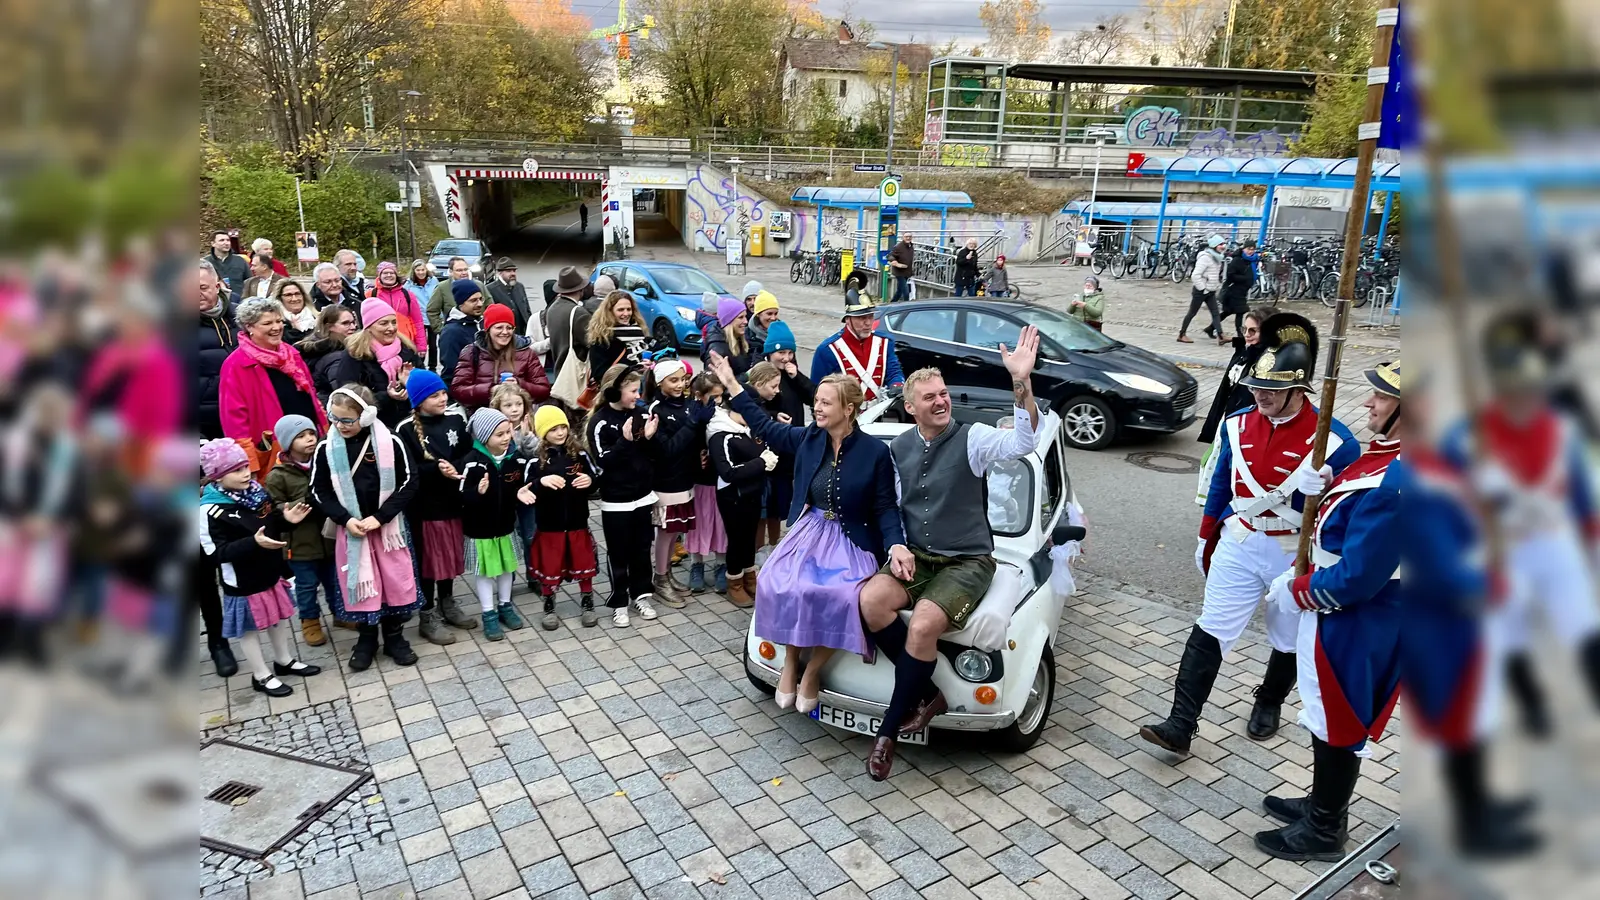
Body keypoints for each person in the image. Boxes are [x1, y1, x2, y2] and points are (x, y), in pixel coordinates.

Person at [1139, 314, 1360, 760]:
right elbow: (1221, 483)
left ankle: (1270, 699)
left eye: (1273, 391)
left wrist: (1315, 496)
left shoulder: (1336, 442)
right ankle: (1181, 724)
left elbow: (1338, 521)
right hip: (1239, 539)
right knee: (1211, 629)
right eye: (1257, 387)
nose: (1261, 396)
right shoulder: (1237, 423)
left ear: (1300, 391)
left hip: (1292, 550)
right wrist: (1207, 534)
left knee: (1287, 637)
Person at [856, 328, 1045, 780]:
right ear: (910, 407)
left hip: (967, 560)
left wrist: (1021, 382)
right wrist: (895, 544)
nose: (941, 402)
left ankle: (887, 735)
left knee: (922, 623)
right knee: (870, 602)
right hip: (916, 554)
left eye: (943, 394)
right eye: (929, 397)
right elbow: (889, 508)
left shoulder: (974, 438)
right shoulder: (896, 447)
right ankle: (929, 691)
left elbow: (1023, 443)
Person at [1254, 361, 1404, 862]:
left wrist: (1299, 591)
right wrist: (1331, 481)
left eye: (1382, 398)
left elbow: (1361, 575)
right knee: (1328, 715)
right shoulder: (1390, 457)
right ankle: (1324, 805)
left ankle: (1324, 831)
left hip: (1352, 614)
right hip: (1348, 608)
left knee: (1337, 716)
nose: (1369, 404)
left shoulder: (1399, 479)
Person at [1398, 371, 1543, 859]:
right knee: (1456, 724)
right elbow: (1441, 569)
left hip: (1471, 618)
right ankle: (1467, 825)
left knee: (1479, 720)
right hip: (1446, 623)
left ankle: (1481, 804)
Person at [708, 354, 903, 710]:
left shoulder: (875, 452)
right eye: (816, 402)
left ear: (849, 409)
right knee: (783, 584)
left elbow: (885, 507)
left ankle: (812, 670)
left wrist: (896, 546)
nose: (817, 408)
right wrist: (734, 387)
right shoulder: (810, 437)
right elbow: (765, 428)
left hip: (851, 538)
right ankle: (789, 661)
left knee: (842, 595)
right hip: (810, 530)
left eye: (826, 403)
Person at [1444, 311, 1600, 737]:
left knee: (1582, 624)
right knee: (1507, 634)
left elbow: (1580, 493)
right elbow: (1443, 498)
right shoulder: (1467, 436)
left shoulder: (1560, 429)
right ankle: (1532, 704)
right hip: (1501, 549)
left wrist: (1591, 540)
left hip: (1554, 543)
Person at [309, 385, 422, 671]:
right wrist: (345, 519)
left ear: (368, 415)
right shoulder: (326, 447)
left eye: (347, 420)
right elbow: (317, 490)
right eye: (334, 418)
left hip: (387, 529)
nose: (340, 425)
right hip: (353, 529)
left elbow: (409, 482)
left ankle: (395, 637)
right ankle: (367, 638)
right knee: (362, 584)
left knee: (394, 579)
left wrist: (381, 516)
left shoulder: (390, 442)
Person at [199, 438, 322, 696]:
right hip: (242, 581)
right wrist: (252, 543)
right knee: (250, 628)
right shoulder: (208, 510)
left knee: (277, 618)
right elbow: (214, 554)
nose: (246, 474)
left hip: (270, 571)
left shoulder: (257, 491)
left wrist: (287, 519)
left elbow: (270, 522)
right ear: (217, 477)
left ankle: (284, 661)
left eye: (245, 467)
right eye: (236, 470)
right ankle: (261, 675)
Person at [397, 369, 474, 645]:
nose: (443, 399)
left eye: (443, 393)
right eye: (434, 395)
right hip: (425, 510)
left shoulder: (455, 419)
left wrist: (460, 467)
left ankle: (447, 602)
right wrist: (436, 470)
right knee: (429, 561)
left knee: (450, 556)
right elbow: (405, 470)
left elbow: (468, 451)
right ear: (418, 400)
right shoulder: (405, 428)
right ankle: (427, 613)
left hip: (453, 503)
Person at [264, 414, 350, 646]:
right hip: (300, 545)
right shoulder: (278, 475)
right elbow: (274, 509)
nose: (310, 439)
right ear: (287, 443)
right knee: (306, 585)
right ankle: (309, 621)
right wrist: (304, 501)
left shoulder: (325, 462)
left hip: (329, 540)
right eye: (301, 436)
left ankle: (341, 614)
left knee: (334, 580)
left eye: (311, 433)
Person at [586, 364, 661, 627]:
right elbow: (605, 461)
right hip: (616, 500)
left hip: (642, 496)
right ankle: (619, 601)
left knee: (642, 549)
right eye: (632, 390)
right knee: (619, 552)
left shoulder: (641, 414)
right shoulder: (599, 422)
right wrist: (625, 441)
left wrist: (649, 439)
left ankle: (641, 594)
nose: (638, 395)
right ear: (615, 392)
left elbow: (650, 456)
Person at [219, 296, 327, 477]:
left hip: (309, 439)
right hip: (274, 450)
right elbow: (234, 421)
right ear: (249, 327)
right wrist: (248, 464)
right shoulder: (236, 365)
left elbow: (312, 395)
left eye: (279, 321)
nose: (277, 327)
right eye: (267, 323)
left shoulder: (291, 353)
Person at [457, 407, 534, 640]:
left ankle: (505, 606)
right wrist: (477, 493)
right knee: (483, 572)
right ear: (483, 437)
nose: (506, 438)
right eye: (499, 435)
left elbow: (521, 484)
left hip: (505, 526)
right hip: (479, 530)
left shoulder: (515, 459)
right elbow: (460, 495)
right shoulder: (471, 462)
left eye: (508, 432)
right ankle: (488, 614)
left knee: (507, 568)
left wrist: (520, 493)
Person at [526, 405, 601, 629]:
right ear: (542, 432)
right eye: (553, 429)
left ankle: (587, 602)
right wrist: (541, 483)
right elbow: (526, 487)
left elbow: (595, 477)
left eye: (563, 427)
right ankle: (549, 604)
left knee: (583, 563)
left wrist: (590, 482)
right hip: (550, 526)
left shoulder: (579, 453)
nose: (560, 433)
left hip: (578, 522)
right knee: (550, 566)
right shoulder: (536, 459)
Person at [706, 382, 776, 607]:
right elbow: (727, 472)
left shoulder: (746, 429)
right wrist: (761, 463)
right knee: (737, 539)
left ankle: (749, 575)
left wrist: (767, 459)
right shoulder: (720, 434)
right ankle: (734, 581)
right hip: (733, 496)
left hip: (752, 492)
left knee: (749, 538)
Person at [644, 357, 699, 608]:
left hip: (685, 477)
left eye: (683, 380)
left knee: (675, 529)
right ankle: (660, 578)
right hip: (666, 481)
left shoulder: (686, 404)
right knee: (665, 532)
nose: (680, 385)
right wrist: (693, 424)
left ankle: (666, 574)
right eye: (673, 380)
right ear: (660, 382)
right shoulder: (656, 409)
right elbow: (668, 449)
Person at [748, 349, 813, 547]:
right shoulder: (751, 404)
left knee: (775, 511)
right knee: (761, 513)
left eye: (790, 352)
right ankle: (759, 550)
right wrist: (774, 415)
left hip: (781, 461)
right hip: (759, 468)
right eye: (774, 387)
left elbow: (811, 394)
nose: (777, 390)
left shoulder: (790, 378)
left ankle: (775, 546)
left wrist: (797, 377)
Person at [327, 298, 425, 428]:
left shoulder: (406, 348)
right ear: (369, 327)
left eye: (394, 322)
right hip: (373, 424)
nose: (391, 328)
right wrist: (387, 396)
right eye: (383, 323)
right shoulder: (355, 354)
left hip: (410, 421)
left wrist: (411, 382)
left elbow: (426, 382)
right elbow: (348, 395)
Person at [450, 302, 551, 412]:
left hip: (517, 418)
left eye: (509, 328)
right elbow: (458, 390)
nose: (505, 332)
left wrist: (519, 385)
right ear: (488, 329)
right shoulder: (472, 352)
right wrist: (490, 390)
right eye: (499, 327)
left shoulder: (526, 353)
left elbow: (543, 391)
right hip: (483, 417)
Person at [488, 382, 540, 590]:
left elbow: (536, 455)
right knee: (507, 538)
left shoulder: (530, 426)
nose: (515, 409)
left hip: (527, 492)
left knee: (530, 534)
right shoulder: (493, 430)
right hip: (504, 494)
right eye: (508, 405)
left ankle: (534, 575)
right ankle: (507, 579)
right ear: (498, 408)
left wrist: (527, 437)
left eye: (518, 404)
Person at [1198, 307, 1272, 447]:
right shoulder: (1243, 351)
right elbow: (1224, 391)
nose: (1247, 334)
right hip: (1228, 420)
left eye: (1253, 330)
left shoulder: (1267, 361)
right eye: (1244, 329)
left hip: (1246, 429)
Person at [685, 374, 728, 594]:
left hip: (719, 479)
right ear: (699, 396)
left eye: (721, 396)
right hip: (699, 480)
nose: (718, 401)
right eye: (714, 397)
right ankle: (697, 564)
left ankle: (721, 564)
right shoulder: (692, 415)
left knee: (721, 522)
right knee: (699, 522)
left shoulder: (723, 413)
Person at [811, 303, 905, 403]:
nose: (868, 323)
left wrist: (897, 384)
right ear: (848, 319)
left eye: (871, 317)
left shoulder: (884, 342)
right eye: (862, 318)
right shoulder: (827, 349)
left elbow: (893, 371)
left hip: (878, 411)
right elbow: (817, 390)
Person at [198, 260, 238, 440]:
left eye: (203, 287)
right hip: (204, 419)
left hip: (243, 412)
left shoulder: (241, 316)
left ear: (217, 286)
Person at [296, 304, 358, 408]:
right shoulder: (336, 357)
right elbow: (344, 395)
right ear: (329, 327)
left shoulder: (317, 347)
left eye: (353, 322)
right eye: (345, 323)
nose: (353, 327)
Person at [426, 257, 479, 367]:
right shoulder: (442, 288)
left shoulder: (477, 285)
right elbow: (432, 310)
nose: (463, 273)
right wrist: (441, 329)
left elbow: (489, 305)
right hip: (454, 337)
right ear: (450, 272)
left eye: (465, 269)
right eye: (459, 270)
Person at [586, 290, 650, 376]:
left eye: (629, 309)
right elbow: (600, 374)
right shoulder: (602, 339)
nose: (626, 313)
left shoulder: (638, 331)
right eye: (620, 310)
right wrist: (634, 369)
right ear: (609, 312)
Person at [547, 266, 593, 383]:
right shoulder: (578, 313)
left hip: (559, 370)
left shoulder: (552, 308)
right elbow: (592, 342)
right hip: (576, 374)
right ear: (580, 289)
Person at [1179, 235, 1225, 344]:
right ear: (1214, 246)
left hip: (1211, 290)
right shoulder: (1205, 257)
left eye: (1223, 244)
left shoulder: (1218, 257)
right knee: (1192, 313)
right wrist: (1203, 288)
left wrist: (1214, 286)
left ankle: (1221, 336)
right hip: (1201, 291)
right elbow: (1195, 275)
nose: (1223, 247)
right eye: (1220, 244)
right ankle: (1182, 334)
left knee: (1215, 313)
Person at [369, 261, 426, 347]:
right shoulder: (371, 295)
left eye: (391, 273)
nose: (389, 275)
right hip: (380, 343)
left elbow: (418, 321)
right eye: (385, 273)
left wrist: (421, 345)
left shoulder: (408, 295)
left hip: (406, 342)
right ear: (379, 276)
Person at [438, 280, 486, 378]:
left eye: (481, 299)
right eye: (473, 300)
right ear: (461, 304)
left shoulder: (482, 323)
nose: (480, 304)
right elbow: (451, 369)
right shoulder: (451, 332)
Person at [703, 298, 752, 378]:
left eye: (745, 316)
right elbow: (715, 386)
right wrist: (747, 376)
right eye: (740, 317)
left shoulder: (741, 338)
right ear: (728, 321)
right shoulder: (717, 349)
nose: (746, 321)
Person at [1219, 241, 1258, 340]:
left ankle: (1210, 328)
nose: (1251, 251)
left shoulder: (1252, 260)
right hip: (1234, 290)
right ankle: (1240, 336)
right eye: (1248, 249)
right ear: (1244, 249)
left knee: (1228, 311)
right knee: (1240, 312)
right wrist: (1245, 278)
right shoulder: (1237, 259)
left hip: (1243, 290)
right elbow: (1230, 275)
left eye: (1253, 249)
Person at [487, 257, 535, 336]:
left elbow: (527, 309)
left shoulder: (519, 286)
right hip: (505, 334)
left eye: (514, 270)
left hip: (523, 333)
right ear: (500, 273)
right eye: (508, 271)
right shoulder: (491, 289)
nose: (513, 273)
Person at [206, 231, 250, 304]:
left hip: (239, 304)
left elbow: (250, 282)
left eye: (228, 240)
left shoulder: (240, 261)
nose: (226, 243)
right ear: (213, 243)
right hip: (214, 304)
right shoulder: (205, 263)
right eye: (222, 240)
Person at [273, 278, 318, 345]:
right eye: (288, 295)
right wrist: (295, 331)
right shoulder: (277, 323)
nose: (294, 299)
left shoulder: (317, 318)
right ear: (280, 298)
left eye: (297, 294)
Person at [747, 290, 779, 358]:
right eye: (769, 314)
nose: (773, 318)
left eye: (775, 314)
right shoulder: (747, 336)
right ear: (758, 314)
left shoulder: (783, 333)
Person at [888, 233, 914, 302]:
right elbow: (890, 255)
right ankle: (907, 306)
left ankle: (892, 303)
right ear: (903, 237)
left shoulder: (910, 246)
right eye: (906, 237)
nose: (908, 238)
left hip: (907, 272)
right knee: (906, 292)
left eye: (910, 237)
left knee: (899, 291)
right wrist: (894, 261)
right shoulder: (899, 246)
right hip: (899, 272)